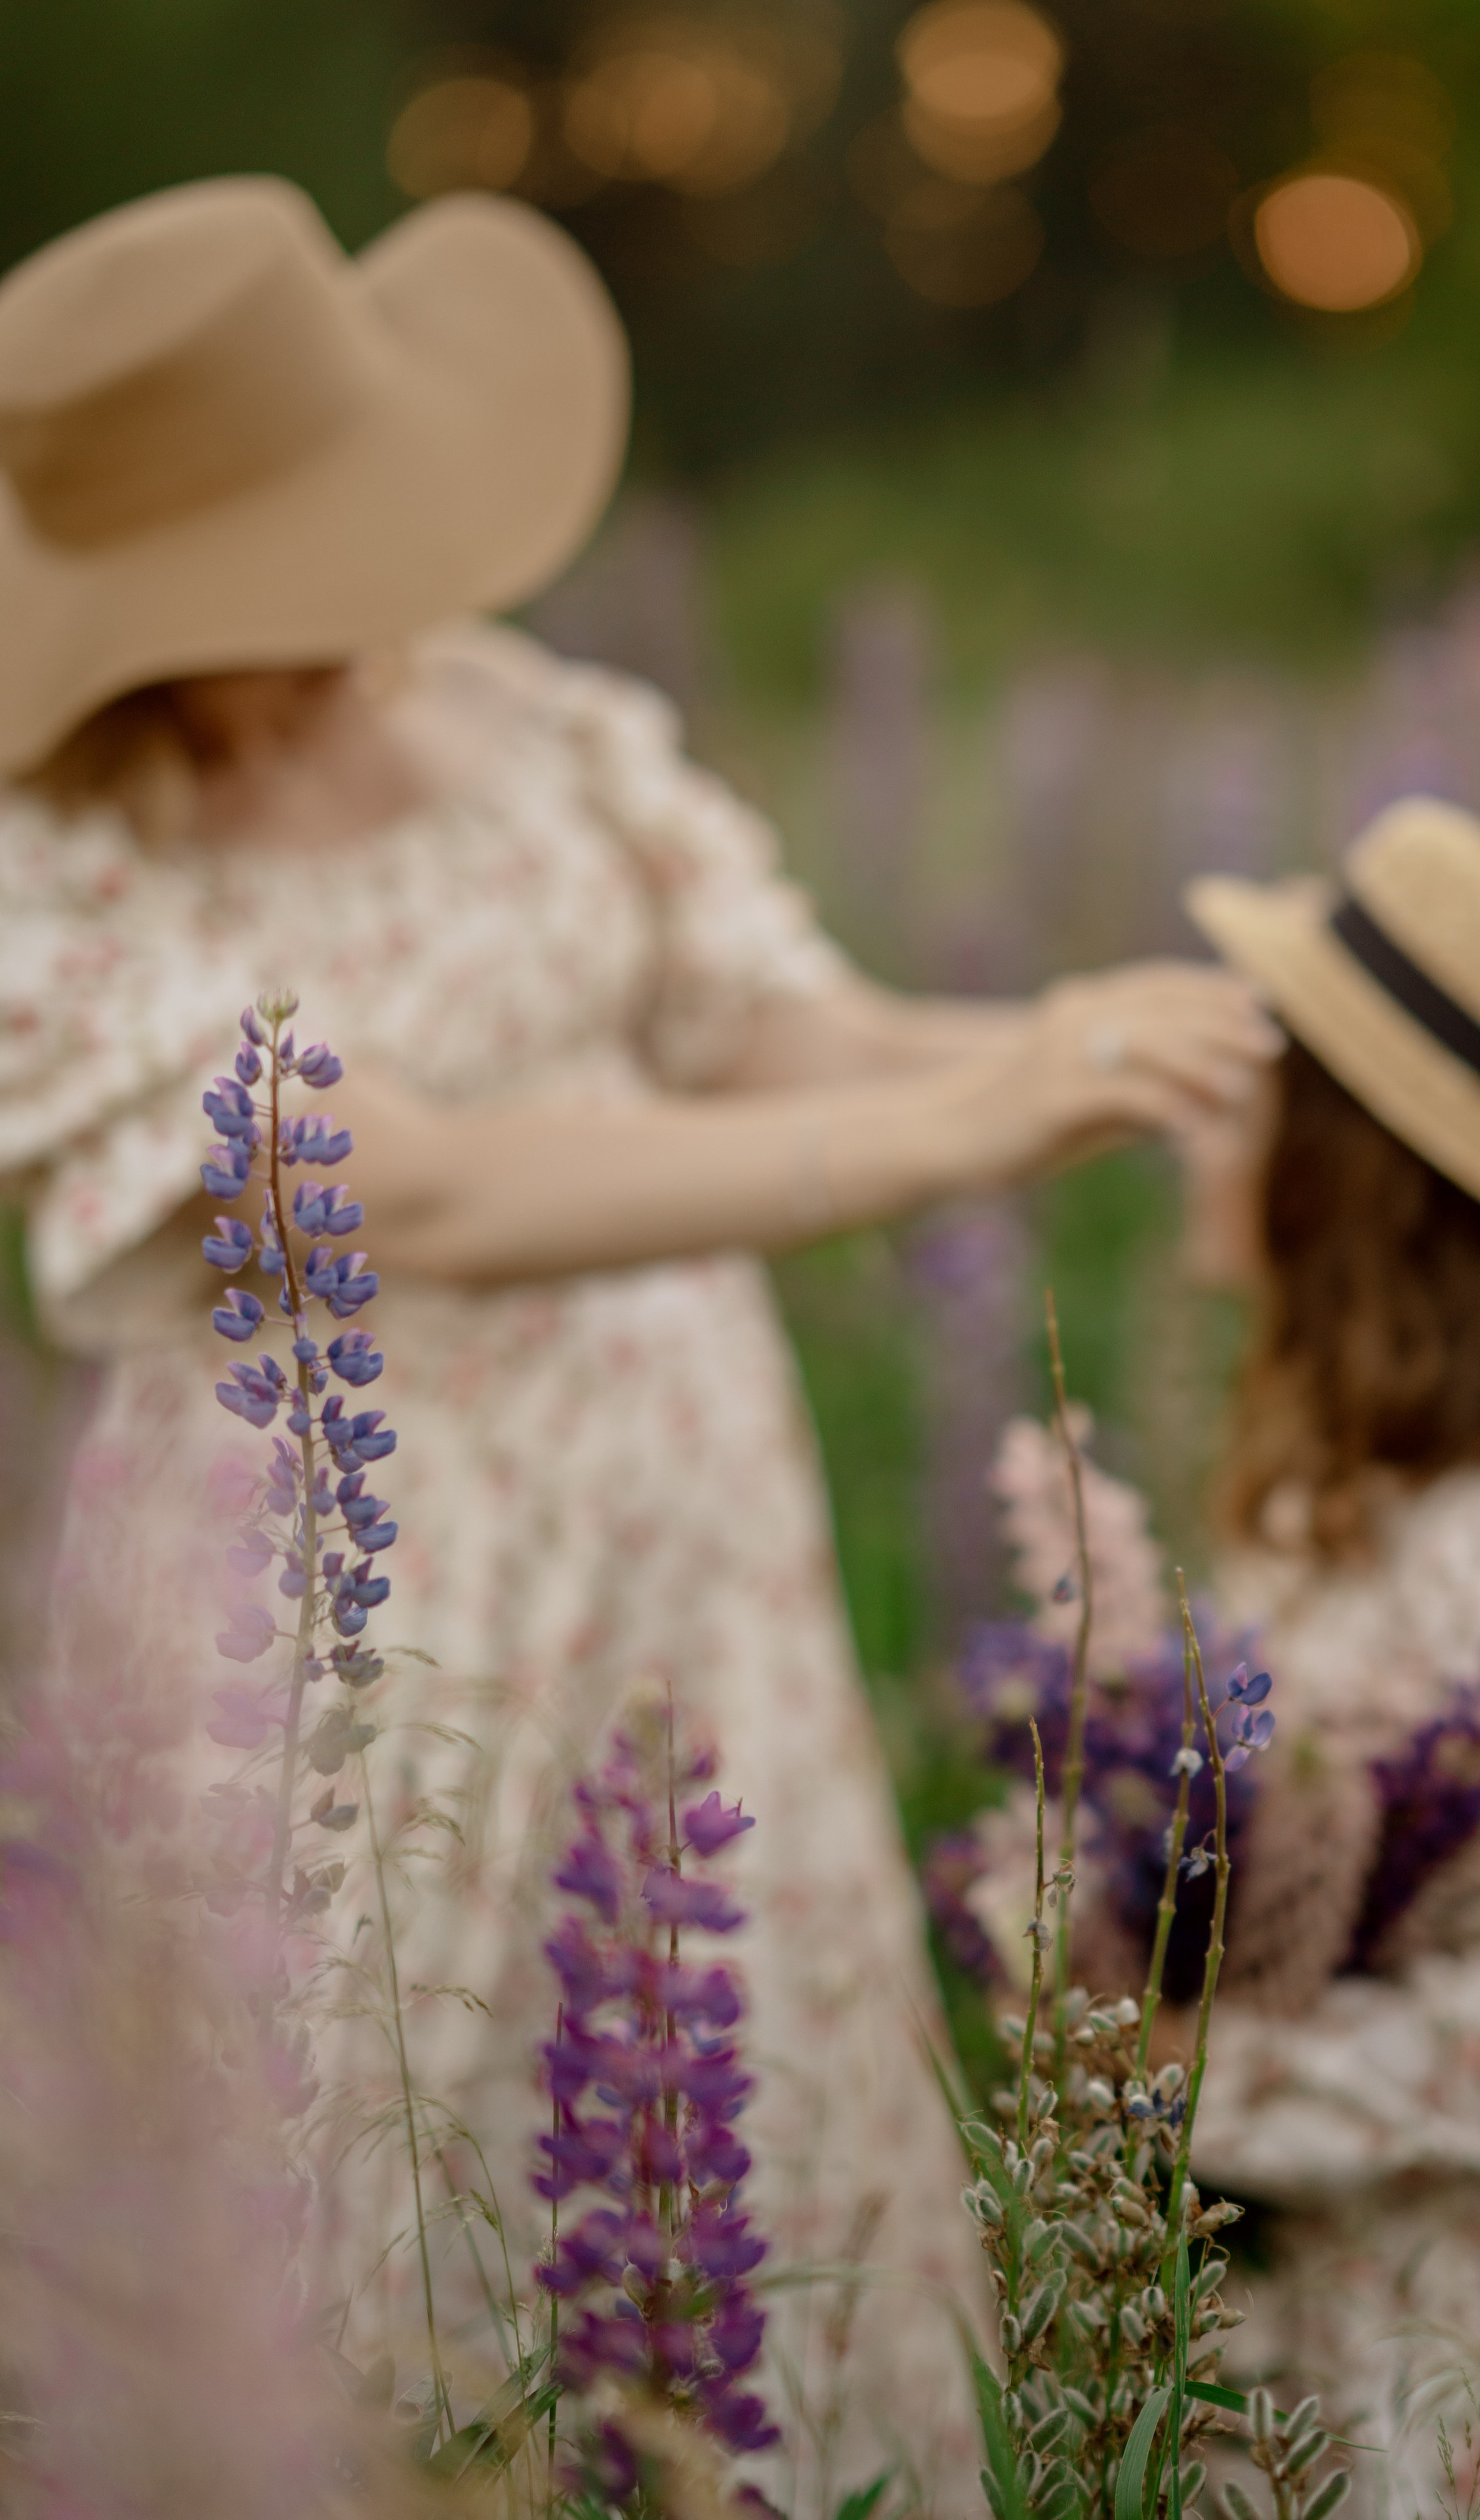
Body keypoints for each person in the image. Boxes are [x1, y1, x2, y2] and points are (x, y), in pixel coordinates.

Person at [0, 177, 1277, 2510]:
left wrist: (1059, 1043)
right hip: (332, 1617)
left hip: (689, 1569)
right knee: (374, 2149)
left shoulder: (524, 720)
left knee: (715, 2135)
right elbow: (423, 1185)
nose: (351, 609)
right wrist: (962, 1124)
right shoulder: (55, 875)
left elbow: (768, 1028)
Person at [1180, 800, 1480, 2502]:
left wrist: (1200, 2079)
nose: (1194, 1131)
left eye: (1247, 1088)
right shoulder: (1348, 1497)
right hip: (1313, 2316)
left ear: (1347, 1166)